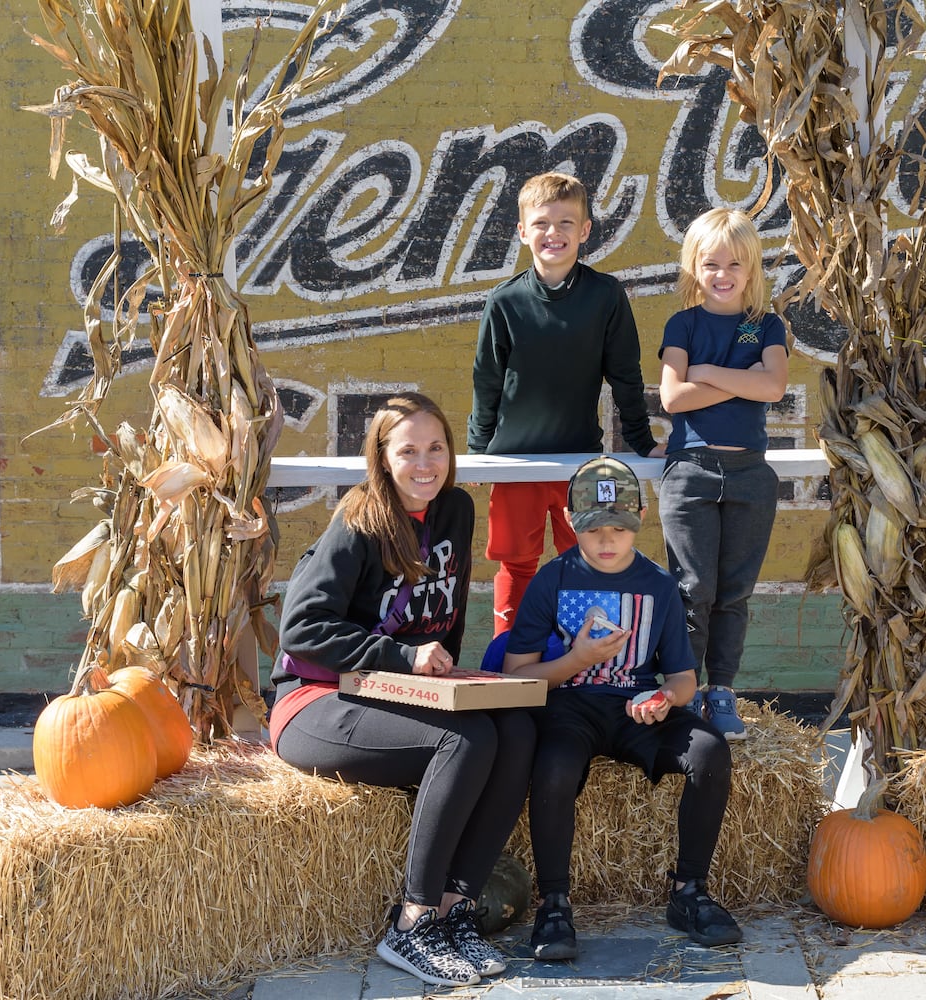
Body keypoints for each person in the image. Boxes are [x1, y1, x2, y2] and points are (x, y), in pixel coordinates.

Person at [270, 392, 535, 988]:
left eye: (436, 448)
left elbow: (449, 613)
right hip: (317, 699)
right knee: (464, 744)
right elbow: (303, 629)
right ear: (382, 458)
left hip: (394, 690)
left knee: (516, 729)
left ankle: (454, 909)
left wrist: (447, 675)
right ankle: (411, 924)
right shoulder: (359, 522)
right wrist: (403, 656)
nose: (425, 463)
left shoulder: (456, 512)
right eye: (408, 450)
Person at [501, 456, 742, 960]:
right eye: (594, 530)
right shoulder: (553, 580)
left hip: (635, 707)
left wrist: (666, 698)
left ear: (641, 520)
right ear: (570, 522)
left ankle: (689, 891)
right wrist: (577, 659)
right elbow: (516, 674)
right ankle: (554, 903)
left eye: (619, 528)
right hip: (569, 706)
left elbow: (681, 677)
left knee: (710, 752)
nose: (607, 541)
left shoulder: (657, 585)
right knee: (553, 766)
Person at [468, 171, 663, 638]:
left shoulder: (605, 296)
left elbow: (625, 378)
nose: (552, 233)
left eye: (565, 222)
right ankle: (510, 666)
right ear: (522, 231)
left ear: (585, 230)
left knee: (585, 559)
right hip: (514, 462)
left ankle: (580, 662)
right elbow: (486, 381)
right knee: (517, 566)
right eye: (540, 223)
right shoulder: (505, 301)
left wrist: (641, 442)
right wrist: (479, 454)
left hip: (579, 461)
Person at [656, 207, 789, 740]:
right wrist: (739, 376)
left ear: (752, 267)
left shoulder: (765, 324)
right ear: (694, 266)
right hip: (690, 470)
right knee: (693, 587)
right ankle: (684, 693)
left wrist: (706, 374)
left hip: (750, 473)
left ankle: (723, 691)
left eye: (735, 263)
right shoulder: (683, 324)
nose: (723, 274)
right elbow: (673, 396)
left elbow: (775, 387)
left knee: (734, 591)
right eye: (711, 263)